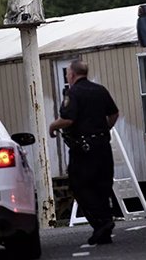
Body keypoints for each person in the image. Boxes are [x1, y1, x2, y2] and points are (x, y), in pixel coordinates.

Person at [49, 60, 119, 245]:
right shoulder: (100, 90)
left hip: (83, 149)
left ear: (72, 74)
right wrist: (104, 129)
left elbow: (68, 119)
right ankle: (102, 231)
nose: (67, 77)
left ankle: (102, 222)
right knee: (102, 186)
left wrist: (52, 126)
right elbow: (114, 114)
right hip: (103, 145)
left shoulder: (73, 93)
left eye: (67, 74)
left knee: (80, 187)